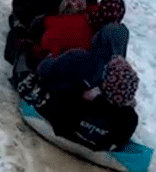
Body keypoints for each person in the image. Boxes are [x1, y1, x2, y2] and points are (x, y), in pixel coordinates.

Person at [26, 23, 140, 151]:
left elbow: (46, 72)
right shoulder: (127, 114)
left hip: (63, 116)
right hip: (102, 136)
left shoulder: (79, 61)